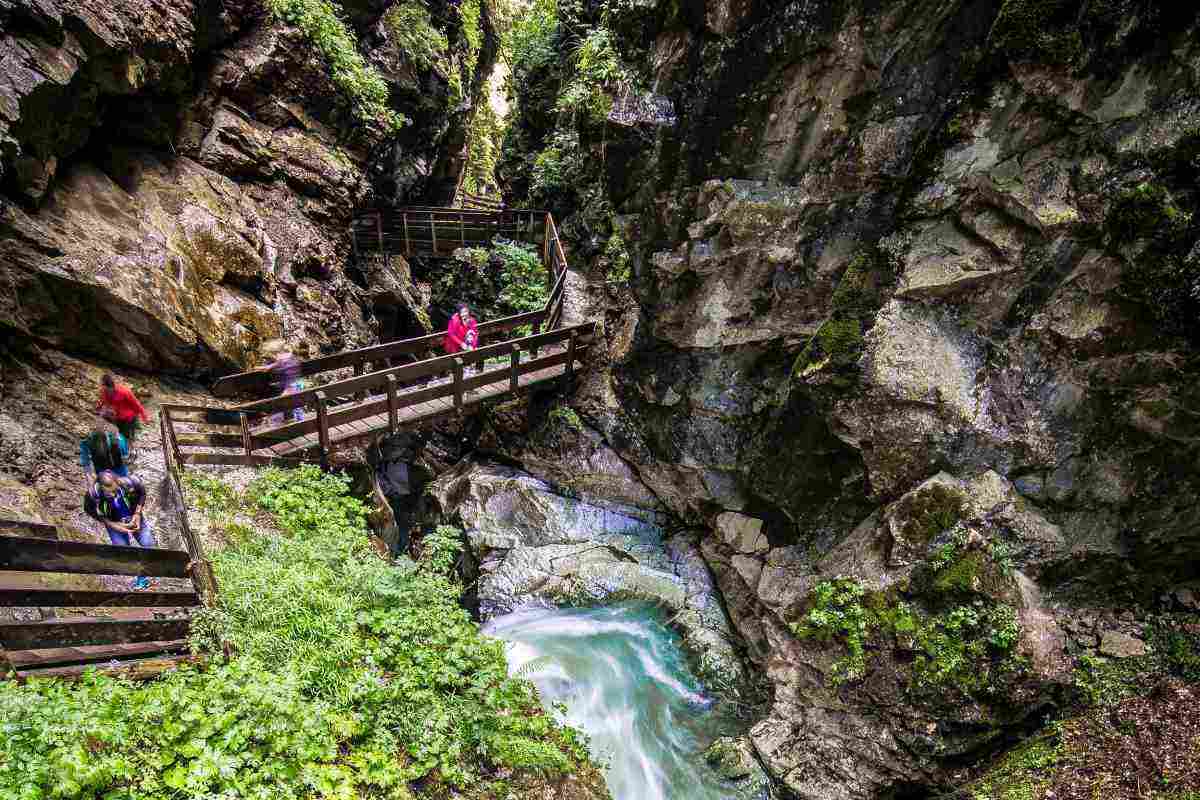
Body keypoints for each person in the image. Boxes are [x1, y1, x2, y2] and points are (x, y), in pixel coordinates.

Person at [83, 471, 155, 589]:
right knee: (123, 552)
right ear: (101, 487)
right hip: (114, 521)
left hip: (133, 517)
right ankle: (140, 574)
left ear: (117, 482)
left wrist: (137, 514)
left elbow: (142, 491)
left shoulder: (128, 483)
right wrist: (111, 524)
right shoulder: (92, 496)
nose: (113, 494)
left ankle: (144, 575)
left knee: (148, 545)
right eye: (109, 492)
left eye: (115, 490)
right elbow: (89, 510)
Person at [96, 373, 149, 445]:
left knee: (128, 436)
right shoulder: (104, 392)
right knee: (121, 434)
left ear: (110, 386)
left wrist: (144, 417)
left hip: (130, 417)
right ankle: (124, 448)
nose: (102, 389)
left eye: (104, 387)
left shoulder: (124, 392)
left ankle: (132, 449)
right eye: (102, 387)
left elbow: (136, 403)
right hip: (118, 416)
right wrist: (99, 407)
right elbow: (103, 400)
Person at [261, 341, 305, 425]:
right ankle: (299, 420)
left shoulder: (281, 359)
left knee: (282, 403)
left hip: (291, 387)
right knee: (295, 405)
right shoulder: (290, 356)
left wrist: (259, 368)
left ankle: (291, 422)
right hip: (299, 384)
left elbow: (268, 368)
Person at [79, 419, 130, 486]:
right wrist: (90, 479)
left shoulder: (117, 439)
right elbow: (86, 462)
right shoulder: (86, 443)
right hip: (102, 469)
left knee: (122, 487)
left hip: (118, 467)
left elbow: (125, 458)